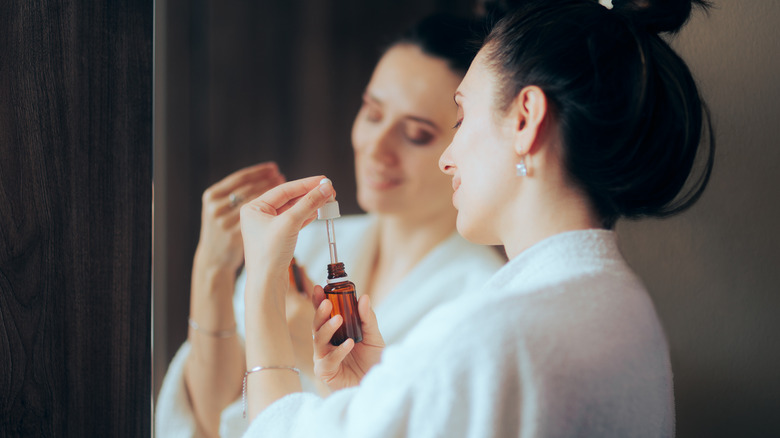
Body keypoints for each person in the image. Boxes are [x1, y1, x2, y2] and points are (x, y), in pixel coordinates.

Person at [237, 0, 715, 436]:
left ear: (525, 119)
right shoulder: (624, 306)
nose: (448, 159)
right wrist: (369, 392)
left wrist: (262, 282)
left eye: (461, 118)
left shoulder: (489, 335)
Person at [155, 14, 506, 438]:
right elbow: (212, 420)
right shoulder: (305, 245)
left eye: (416, 134)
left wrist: (308, 354)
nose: (377, 148)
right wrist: (213, 269)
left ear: (463, 144)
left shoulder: (480, 301)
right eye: (373, 114)